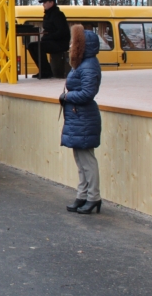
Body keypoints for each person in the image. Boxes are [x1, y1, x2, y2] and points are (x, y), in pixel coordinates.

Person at [61, 26, 103, 214]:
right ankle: (82, 195)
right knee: (80, 159)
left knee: (87, 160)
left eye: (73, 43)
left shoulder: (89, 66)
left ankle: (93, 197)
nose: (70, 46)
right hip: (78, 116)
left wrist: (67, 97)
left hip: (83, 116)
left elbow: (88, 93)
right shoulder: (84, 64)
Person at [27, 0, 70, 79]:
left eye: (45, 2)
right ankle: (44, 70)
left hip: (60, 43)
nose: (43, 4)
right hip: (51, 41)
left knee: (38, 47)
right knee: (31, 46)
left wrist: (47, 37)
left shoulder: (58, 15)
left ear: (51, 3)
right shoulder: (47, 15)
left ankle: (46, 71)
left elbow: (62, 32)